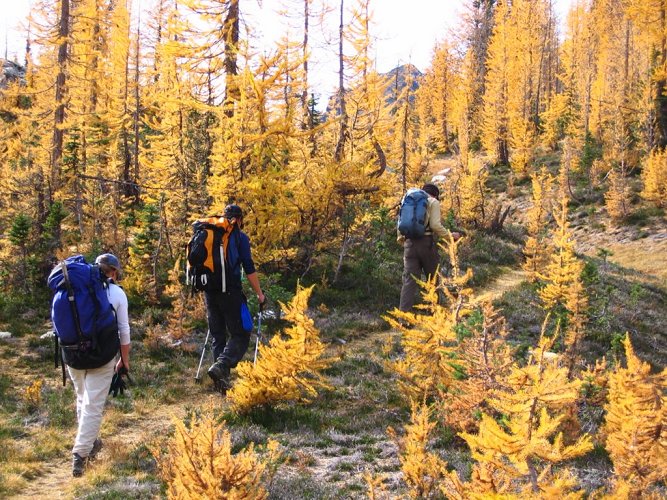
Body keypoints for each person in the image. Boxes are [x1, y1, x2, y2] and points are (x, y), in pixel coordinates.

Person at [69, 253, 131, 477]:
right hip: (101, 357)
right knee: (93, 404)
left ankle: (88, 441)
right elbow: (124, 331)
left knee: (82, 397)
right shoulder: (116, 293)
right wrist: (124, 361)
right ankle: (81, 454)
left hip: (73, 355)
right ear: (113, 272)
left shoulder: (74, 289)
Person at [206, 204, 266, 392]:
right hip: (230, 290)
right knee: (240, 333)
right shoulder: (239, 237)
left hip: (209, 291)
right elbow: (248, 267)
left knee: (218, 335)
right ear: (239, 219)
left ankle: (220, 385)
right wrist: (259, 293)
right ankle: (222, 365)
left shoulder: (211, 234)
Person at [398, 183, 458, 311]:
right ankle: (433, 312)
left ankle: (403, 318)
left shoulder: (407, 199)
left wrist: (402, 241)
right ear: (435, 195)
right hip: (426, 243)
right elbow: (435, 225)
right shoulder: (433, 202)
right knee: (432, 279)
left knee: (409, 282)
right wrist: (450, 235)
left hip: (409, 244)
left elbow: (400, 224)